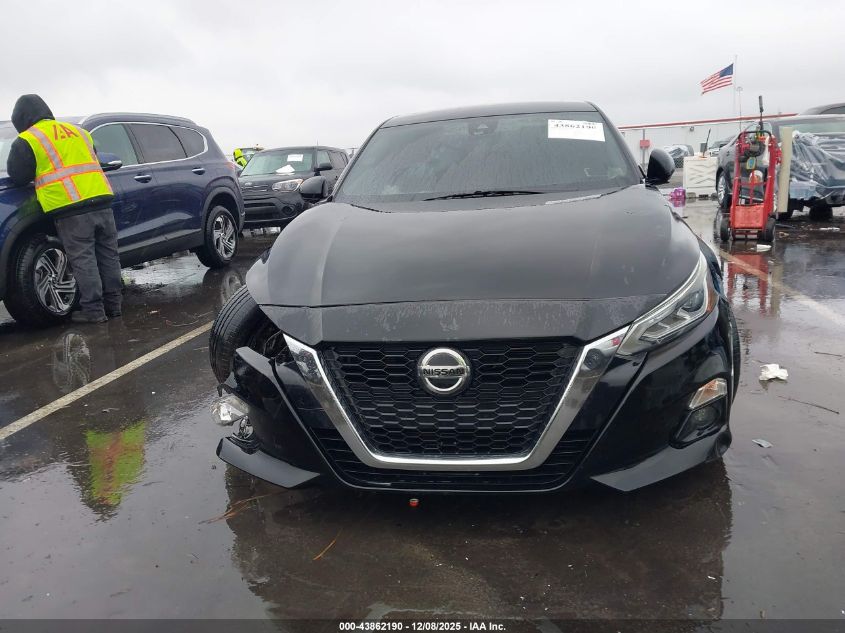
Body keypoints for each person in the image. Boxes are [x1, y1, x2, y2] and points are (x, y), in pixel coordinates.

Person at [6, 94, 122, 324]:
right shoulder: (78, 131)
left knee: (83, 259)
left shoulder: (29, 139)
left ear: (21, 119)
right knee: (108, 255)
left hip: (71, 207)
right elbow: (91, 158)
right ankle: (114, 306)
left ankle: (94, 311)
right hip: (101, 199)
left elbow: (18, 176)